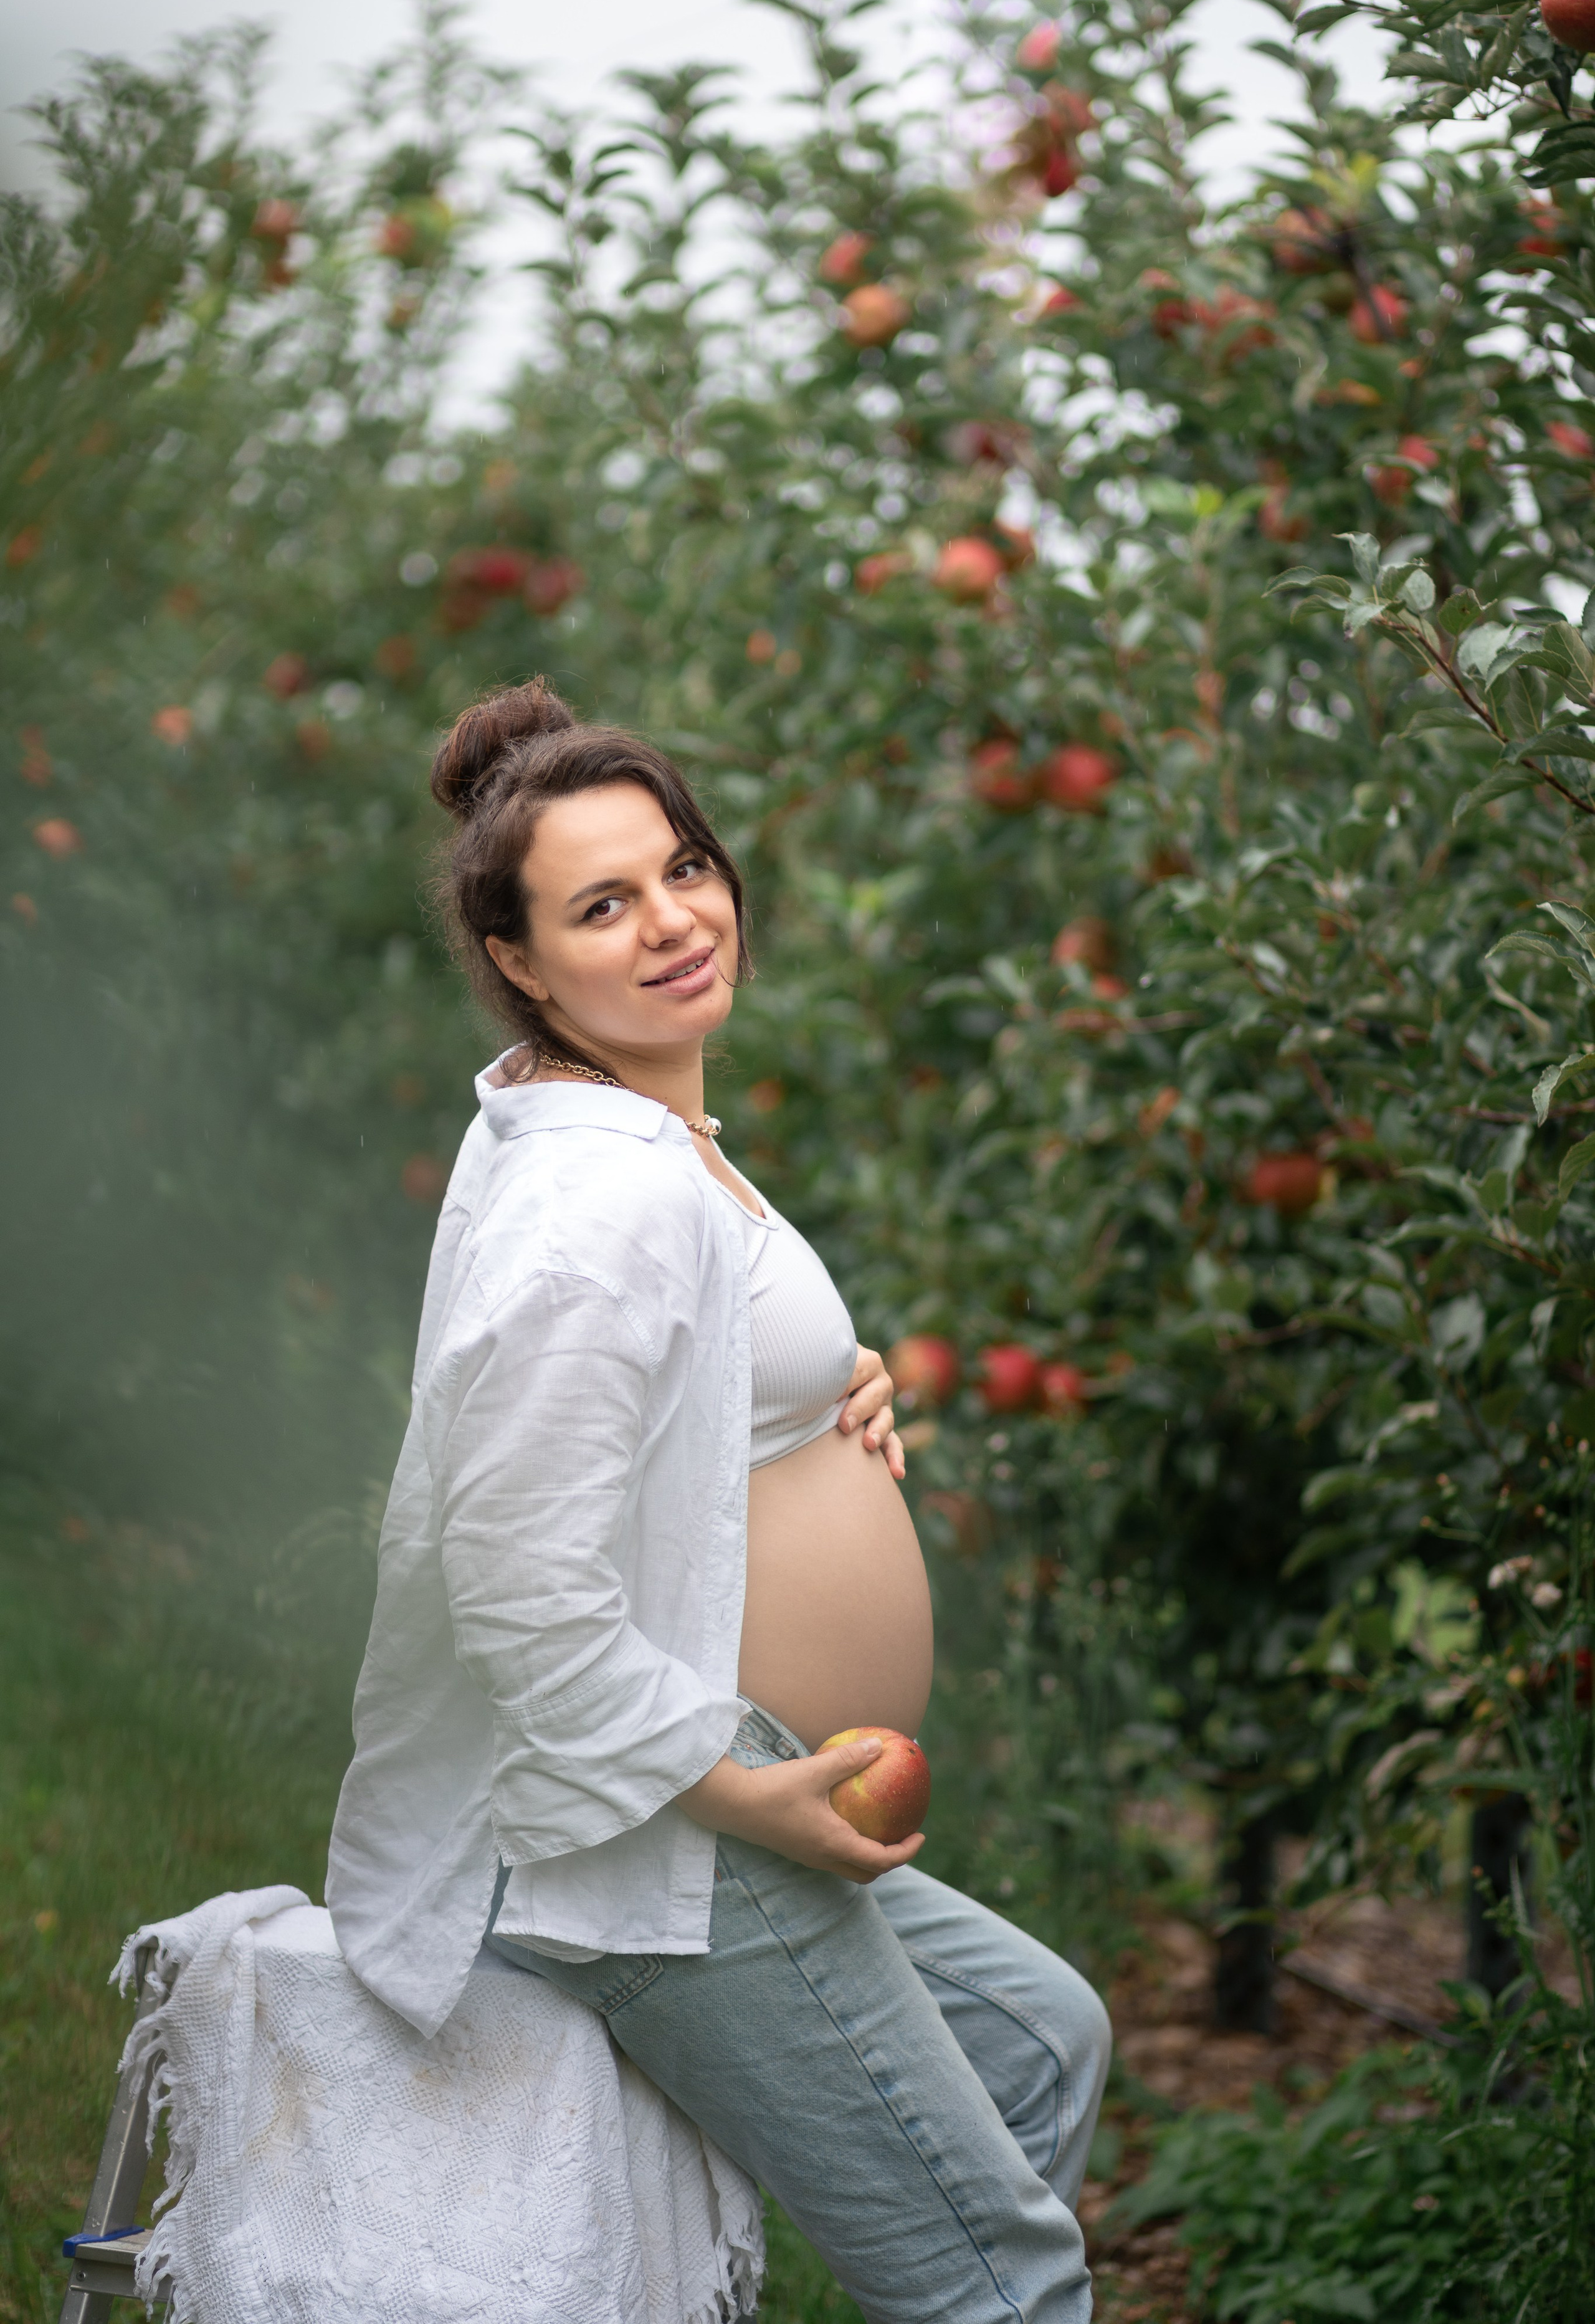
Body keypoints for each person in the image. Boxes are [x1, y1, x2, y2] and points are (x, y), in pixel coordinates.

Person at [326, 678, 1110, 2323]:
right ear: (523, 964)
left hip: (703, 1775)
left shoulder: (625, 1123)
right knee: (1005, 2284)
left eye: (685, 866)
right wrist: (732, 1795)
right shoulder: (600, 1200)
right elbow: (516, 1584)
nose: (675, 920)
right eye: (603, 905)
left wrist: (818, 1401)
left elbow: (659, 1385)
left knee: (1047, 2041)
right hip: (639, 1816)